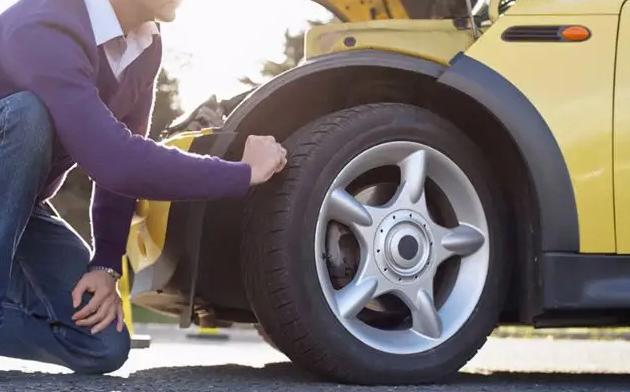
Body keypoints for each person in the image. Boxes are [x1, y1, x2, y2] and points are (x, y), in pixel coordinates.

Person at [0, 0, 287, 374]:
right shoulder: (44, 25)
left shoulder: (146, 45)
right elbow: (115, 160)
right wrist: (242, 173)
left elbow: (125, 154)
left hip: (22, 206)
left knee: (101, 343)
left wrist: (106, 264)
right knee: (28, 117)